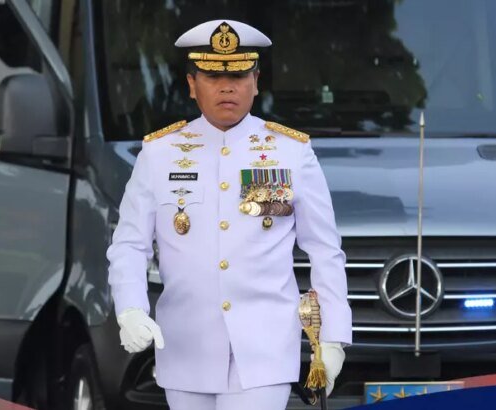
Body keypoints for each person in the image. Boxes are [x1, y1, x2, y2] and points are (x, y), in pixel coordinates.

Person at [106, 19, 352, 410]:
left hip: (265, 349)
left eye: (238, 76)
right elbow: (129, 244)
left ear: (256, 82)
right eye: (212, 76)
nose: (227, 87)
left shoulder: (291, 152)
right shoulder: (160, 153)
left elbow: (324, 250)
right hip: (186, 346)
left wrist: (333, 338)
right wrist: (131, 308)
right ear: (192, 84)